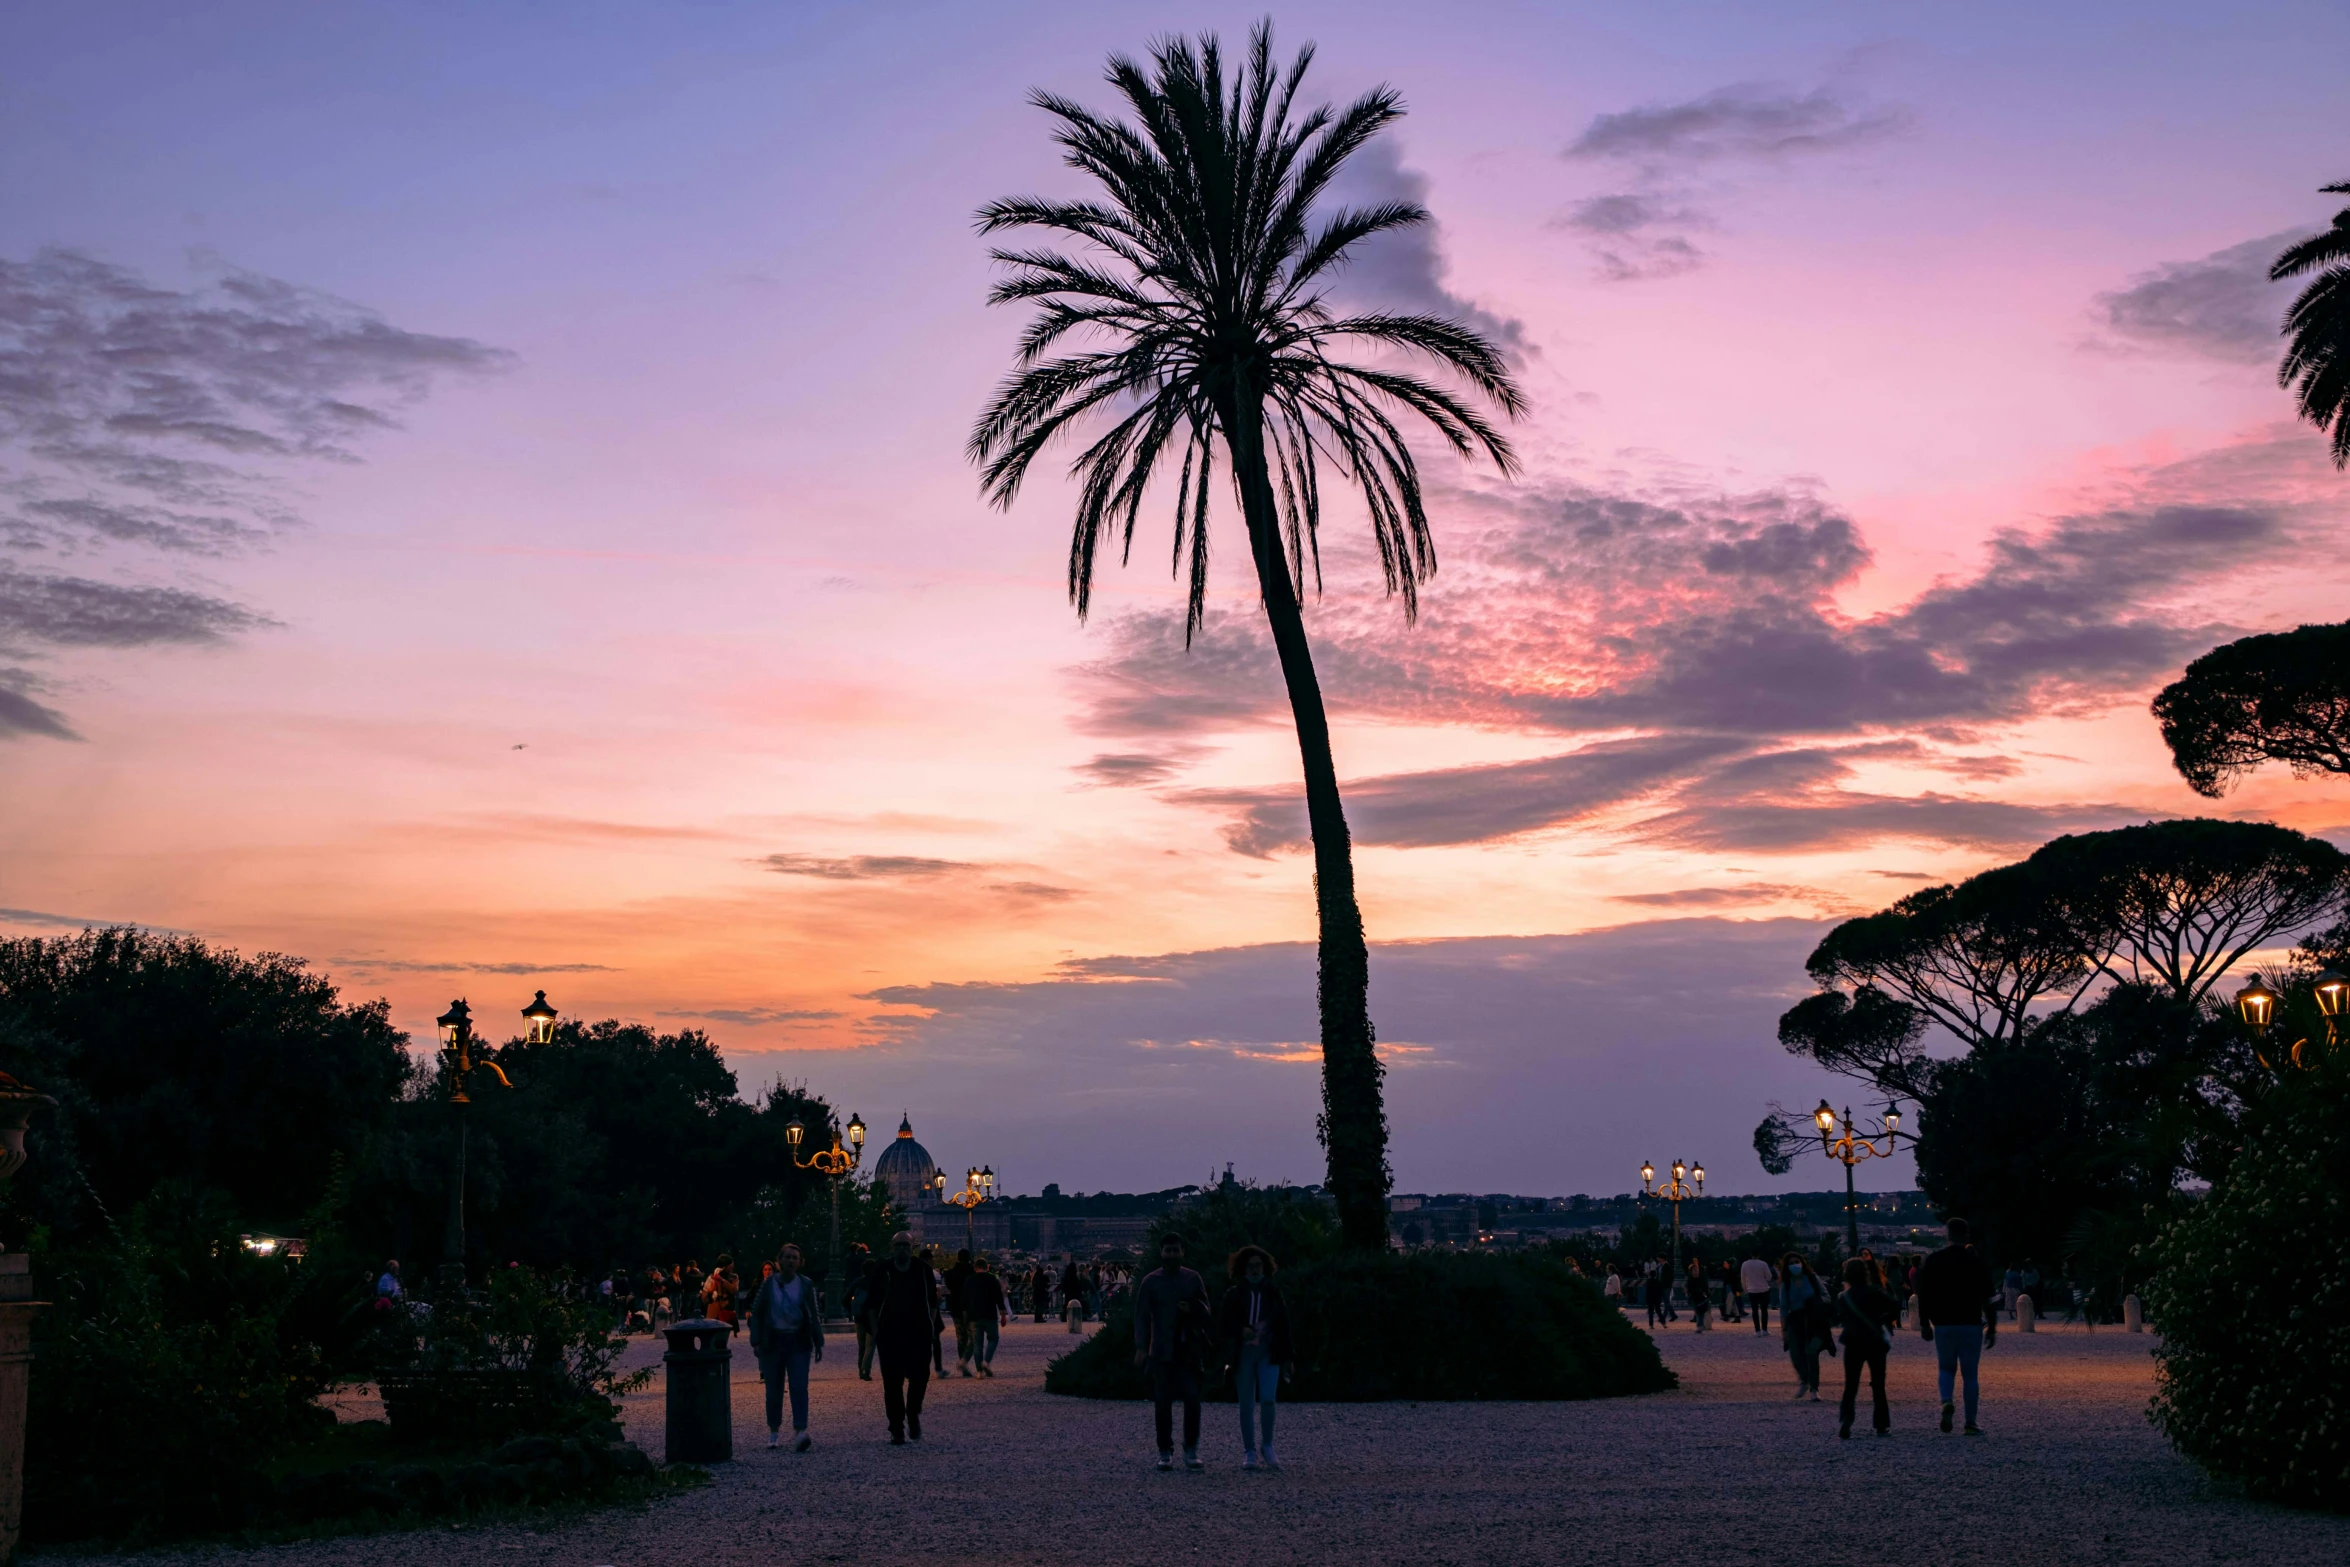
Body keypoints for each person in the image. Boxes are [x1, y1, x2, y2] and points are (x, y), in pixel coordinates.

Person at [1132, 1233, 1211, 1471]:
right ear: (1161, 1252)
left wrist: (1193, 1308)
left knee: (1192, 1400)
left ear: (1182, 1252)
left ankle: (1190, 1447)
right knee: (1163, 1404)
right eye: (1168, 1250)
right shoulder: (1150, 1282)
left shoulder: (1193, 1278)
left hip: (1187, 1349)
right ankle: (1165, 1450)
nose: (1172, 1254)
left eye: (1175, 1250)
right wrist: (1141, 1348)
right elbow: (1141, 1317)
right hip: (1161, 1350)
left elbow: (1207, 1313)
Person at [1917, 1217, 1998, 1436]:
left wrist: (1924, 1323)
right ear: (1967, 1235)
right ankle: (1970, 1422)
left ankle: (1946, 1401)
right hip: (1971, 1322)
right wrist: (1992, 1325)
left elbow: (1924, 1295)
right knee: (1970, 1374)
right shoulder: (1976, 1261)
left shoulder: (1934, 1260)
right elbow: (1988, 1296)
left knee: (1946, 1368)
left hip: (1943, 1323)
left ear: (1947, 1235)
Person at [1217, 1245, 1293, 1471]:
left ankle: (1267, 1445)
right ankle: (1249, 1450)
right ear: (1243, 1268)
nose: (1254, 1269)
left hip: (1269, 1352)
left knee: (1268, 1399)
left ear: (1265, 1267)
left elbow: (1284, 1325)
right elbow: (1223, 1325)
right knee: (1246, 1404)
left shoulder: (1273, 1291)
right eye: (1250, 1266)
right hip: (1244, 1353)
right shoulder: (1234, 1294)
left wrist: (1288, 1357)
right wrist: (1241, 1331)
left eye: (1258, 1265)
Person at [748, 1243, 825, 1451]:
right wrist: (756, 1341)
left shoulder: (806, 1284)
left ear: (800, 1262)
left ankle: (800, 1430)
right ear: (779, 1261)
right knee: (773, 1389)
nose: (791, 1261)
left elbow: (813, 1314)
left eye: (795, 1258)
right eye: (787, 1257)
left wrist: (818, 1341)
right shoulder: (768, 1284)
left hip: (798, 1341)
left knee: (799, 1386)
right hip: (773, 1342)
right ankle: (774, 1429)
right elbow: (758, 1312)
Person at [867, 1231, 940, 1444]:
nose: (901, 1249)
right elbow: (872, 1302)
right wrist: (876, 1330)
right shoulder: (882, 1270)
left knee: (920, 1377)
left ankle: (913, 1412)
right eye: (898, 1245)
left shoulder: (923, 1270)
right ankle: (896, 1428)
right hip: (890, 1334)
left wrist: (931, 1326)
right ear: (892, 1247)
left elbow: (932, 1303)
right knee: (892, 1383)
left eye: (905, 1246)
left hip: (919, 1333)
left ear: (912, 1248)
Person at [1834, 1256, 1898, 1439]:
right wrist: (1883, 1319)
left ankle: (1846, 1419)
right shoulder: (1875, 1292)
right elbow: (1894, 1304)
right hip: (1874, 1340)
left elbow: (1839, 1315)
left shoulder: (1843, 1296)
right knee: (1878, 1384)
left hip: (1852, 1340)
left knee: (1851, 1384)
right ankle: (1881, 1424)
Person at [1781, 1253, 1832, 1400]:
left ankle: (1814, 1388)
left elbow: (1825, 1295)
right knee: (1796, 1354)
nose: (1795, 1265)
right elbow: (1784, 1307)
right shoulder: (1786, 1283)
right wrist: (1784, 1328)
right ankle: (1804, 1380)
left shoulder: (1811, 1278)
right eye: (1791, 1263)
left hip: (1813, 1319)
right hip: (1795, 1319)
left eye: (1797, 1261)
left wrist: (1815, 1303)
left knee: (1811, 1352)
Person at [964, 1254, 1009, 1375]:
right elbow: (999, 1297)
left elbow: (965, 1298)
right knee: (993, 1339)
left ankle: (979, 1371)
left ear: (975, 1268)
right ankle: (986, 1361)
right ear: (987, 1267)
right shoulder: (992, 1279)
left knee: (977, 1344)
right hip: (989, 1314)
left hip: (974, 1315)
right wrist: (1003, 1313)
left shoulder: (970, 1280)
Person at [845, 1243, 877, 1380]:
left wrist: (851, 1310)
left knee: (861, 1345)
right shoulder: (877, 1282)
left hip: (858, 1316)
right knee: (870, 1345)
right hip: (872, 1316)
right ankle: (866, 1370)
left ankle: (860, 1370)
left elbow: (844, 1298)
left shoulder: (857, 1282)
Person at [946, 1248, 977, 1375]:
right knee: (973, 1337)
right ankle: (965, 1360)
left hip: (956, 1307)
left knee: (960, 1337)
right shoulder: (972, 1273)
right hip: (970, 1308)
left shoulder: (950, 1273)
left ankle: (962, 1361)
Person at [1740, 1252, 1774, 1334]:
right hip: (1763, 1289)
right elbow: (1769, 1277)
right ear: (1759, 1255)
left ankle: (1757, 1330)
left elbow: (1743, 1278)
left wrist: (1745, 1289)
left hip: (1752, 1289)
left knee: (1754, 1310)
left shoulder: (1745, 1264)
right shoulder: (1763, 1264)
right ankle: (1764, 1329)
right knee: (1764, 1310)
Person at [704, 1255, 741, 1327]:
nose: (732, 1266)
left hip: (726, 1311)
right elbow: (704, 1299)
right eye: (731, 1264)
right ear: (725, 1266)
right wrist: (710, 1291)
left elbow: (734, 1290)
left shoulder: (733, 1277)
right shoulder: (711, 1277)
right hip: (713, 1313)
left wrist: (721, 1280)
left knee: (723, 1335)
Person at [1062, 1256, 1088, 1332]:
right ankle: (1076, 1319)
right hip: (1075, 1294)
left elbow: (1064, 1284)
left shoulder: (1066, 1275)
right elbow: (1078, 1285)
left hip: (1068, 1293)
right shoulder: (1075, 1276)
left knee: (1067, 1305)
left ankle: (1066, 1318)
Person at [1686, 1259, 1712, 1332]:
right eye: (1694, 1270)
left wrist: (1707, 1294)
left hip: (1702, 1297)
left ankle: (1701, 1325)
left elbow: (1705, 1287)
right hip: (1695, 1297)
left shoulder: (1702, 1278)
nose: (1696, 1271)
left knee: (1702, 1312)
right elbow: (1690, 1289)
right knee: (1698, 1312)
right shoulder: (1690, 1280)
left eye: (1697, 1270)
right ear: (1691, 1272)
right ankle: (1700, 1325)